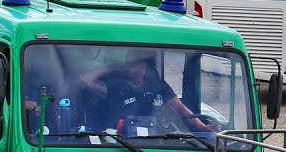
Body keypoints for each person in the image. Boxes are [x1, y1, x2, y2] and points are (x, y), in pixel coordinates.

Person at [79, 51, 213, 133]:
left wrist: (202, 127)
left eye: (138, 65)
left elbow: (180, 108)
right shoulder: (113, 87)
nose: (133, 69)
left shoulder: (157, 86)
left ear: (146, 66)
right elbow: (84, 79)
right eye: (130, 64)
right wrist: (111, 68)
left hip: (155, 141)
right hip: (119, 142)